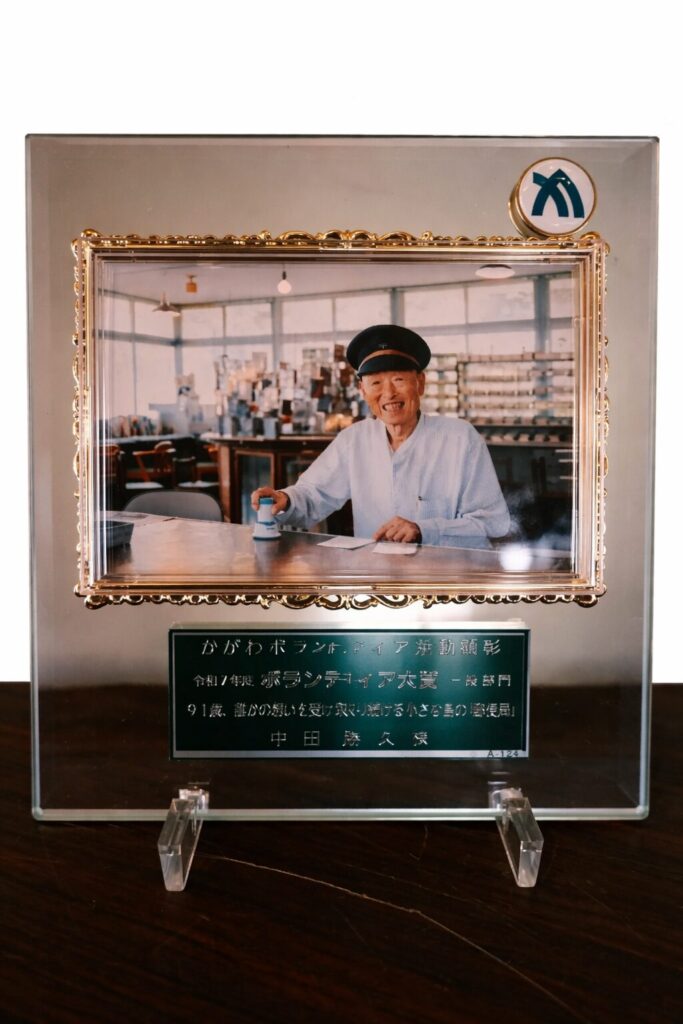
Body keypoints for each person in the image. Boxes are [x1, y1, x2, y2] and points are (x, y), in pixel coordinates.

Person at [251, 325, 510, 548]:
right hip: (374, 575)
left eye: (399, 380)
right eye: (375, 383)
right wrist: (285, 499)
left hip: (442, 577)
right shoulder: (354, 440)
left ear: (420, 383)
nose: (388, 393)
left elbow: (492, 523)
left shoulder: (460, 438)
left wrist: (424, 530)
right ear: (363, 390)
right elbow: (313, 494)